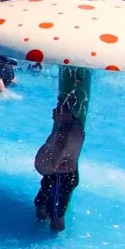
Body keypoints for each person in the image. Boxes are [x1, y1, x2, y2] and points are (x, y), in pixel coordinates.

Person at [34, 96, 85, 233]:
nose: (54, 110)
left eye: (59, 109)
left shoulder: (65, 133)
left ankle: (54, 239)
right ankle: (40, 230)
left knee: (55, 214)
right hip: (61, 176)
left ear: (68, 114)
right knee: (41, 203)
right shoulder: (75, 126)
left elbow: (59, 157)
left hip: (60, 177)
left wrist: (49, 167)